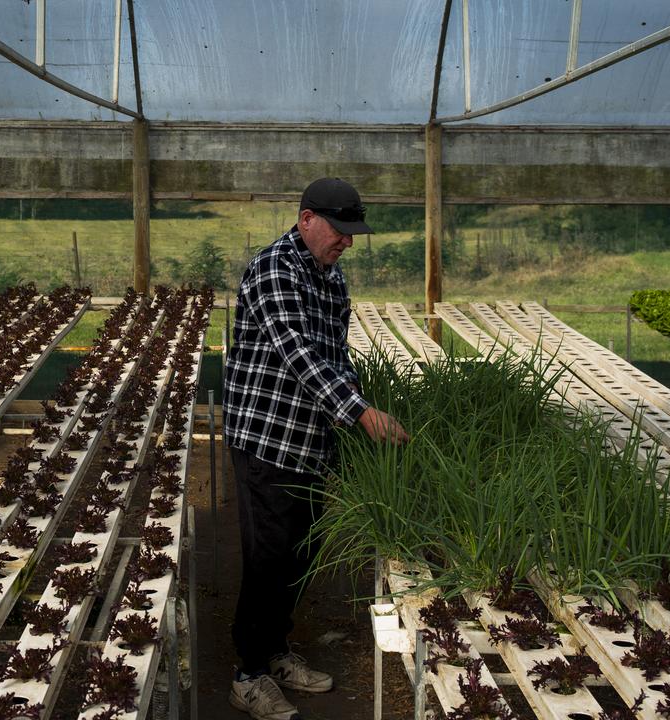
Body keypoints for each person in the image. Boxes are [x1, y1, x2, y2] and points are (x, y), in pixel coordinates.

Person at [223, 177, 409, 720]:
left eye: (353, 232)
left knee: (299, 555)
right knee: (267, 558)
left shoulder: (331, 277)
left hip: (311, 442)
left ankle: (276, 651)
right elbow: (297, 353)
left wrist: (355, 403)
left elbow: (335, 353)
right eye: (340, 230)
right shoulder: (274, 269)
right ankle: (248, 674)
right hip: (267, 439)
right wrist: (361, 413)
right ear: (306, 219)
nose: (347, 241)